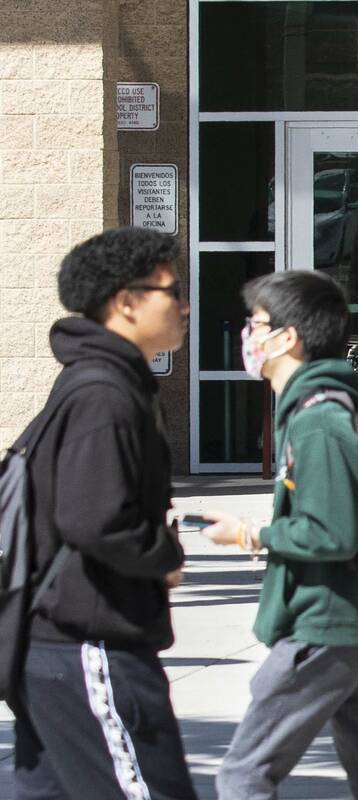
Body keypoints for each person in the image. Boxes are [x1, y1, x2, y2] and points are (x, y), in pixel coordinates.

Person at [201, 271, 358, 800]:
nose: (247, 335)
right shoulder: (329, 409)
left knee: (243, 774)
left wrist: (250, 533)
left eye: (256, 324)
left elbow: (332, 532)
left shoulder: (318, 422)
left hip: (327, 623)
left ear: (287, 337)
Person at [9, 227, 196, 799]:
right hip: (91, 644)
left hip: (60, 646)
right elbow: (94, 519)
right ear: (126, 302)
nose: (186, 305)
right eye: (173, 291)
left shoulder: (100, 382)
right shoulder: (104, 394)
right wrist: (163, 556)